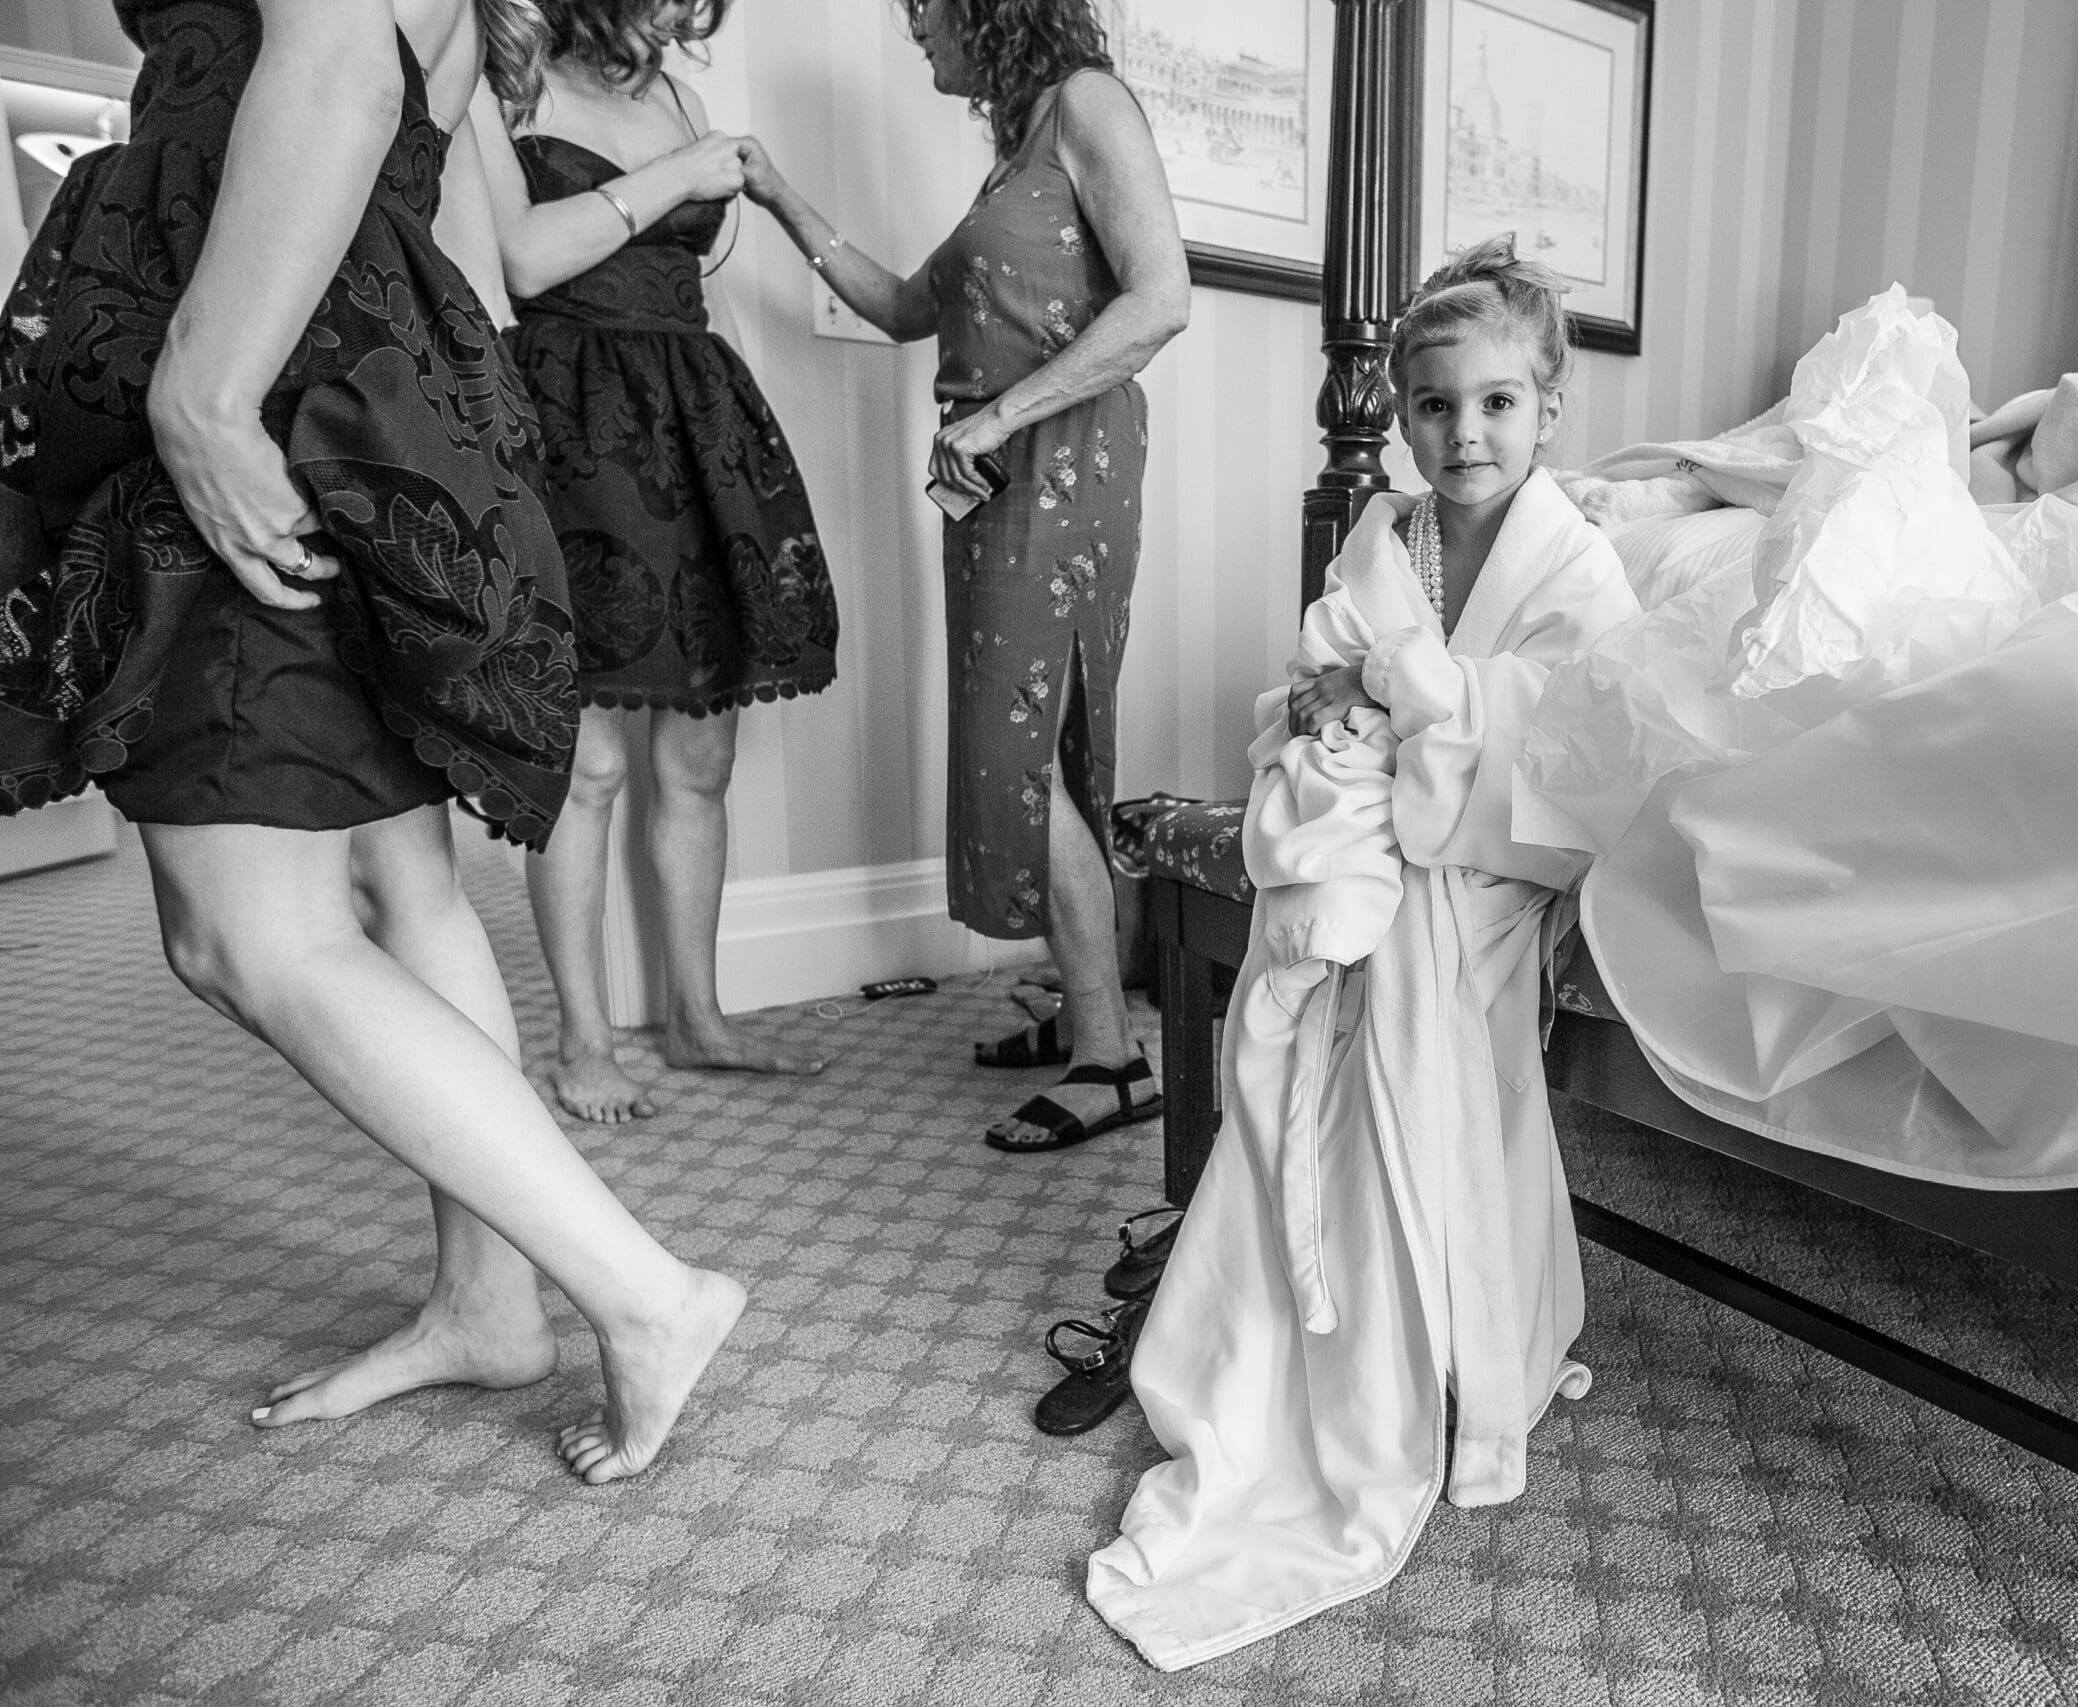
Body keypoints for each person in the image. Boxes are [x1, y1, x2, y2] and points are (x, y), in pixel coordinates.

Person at [0, 0, 741, 1485]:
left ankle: (648, 1291)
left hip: (269, 376)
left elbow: (335, 52)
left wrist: (205, 392)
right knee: (406, 892)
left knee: (246, 932)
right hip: (345, 370)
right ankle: (486, 1298)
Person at [1084, 239, 1641, 1666]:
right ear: (1399, 413)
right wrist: (1335, 726)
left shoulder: (1579, 566)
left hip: (1485, 873)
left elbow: (1574, 752)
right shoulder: (1384, 537)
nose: (1467, 434)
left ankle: (1438, 1346)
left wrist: (1399, 694)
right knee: (1344, 937)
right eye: (1438, 405)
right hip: (1386, 837)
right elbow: (1303, 683)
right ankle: (1304, 1326)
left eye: (1500, 405)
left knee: (1414, 970)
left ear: (1552, 408)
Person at [734, 0, 1189, 1151]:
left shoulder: (1089, 105)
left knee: (1019, 746)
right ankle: (1080, 1005)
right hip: (1000, 475)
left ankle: (1112, 1056)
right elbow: (901, 306)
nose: (919, 39)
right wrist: (778, 193)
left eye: (927, 16)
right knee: (1026, 736)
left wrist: (1000, 420)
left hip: (1059, 465)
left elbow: (1160, 298)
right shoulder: (1015, 154)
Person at [470, 0, 837, 1125]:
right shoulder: (501, 81)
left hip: (693, 414)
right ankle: (584, 1038)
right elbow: (524, 261)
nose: (685, 12)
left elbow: (691, 271)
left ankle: (697, 1016)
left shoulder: (677, 90)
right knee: (583, 766)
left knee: (699, 759)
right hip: (572, 418)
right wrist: (684, 169)